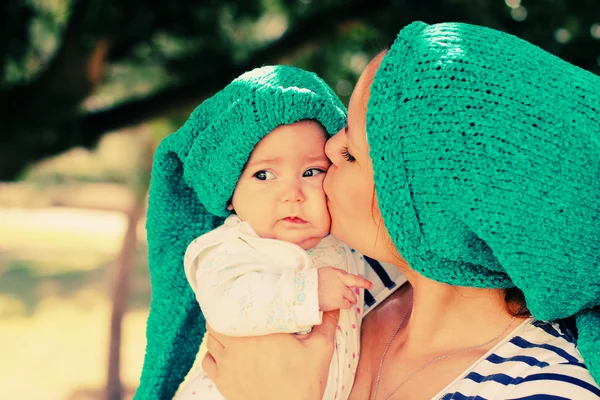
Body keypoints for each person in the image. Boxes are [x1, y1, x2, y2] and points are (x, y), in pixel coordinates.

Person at [200, 21, 600, 399]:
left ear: (430, 209)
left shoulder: (539, 387)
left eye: (351, 152)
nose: (327, 149)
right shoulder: (346, 272)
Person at [134, 65, 404, 400]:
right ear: (230, 196)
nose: (292, 193)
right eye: (264, 175)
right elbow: (229, 306)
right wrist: (308, 292)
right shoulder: (228, 249)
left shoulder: (346, 245)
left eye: (311, 171)